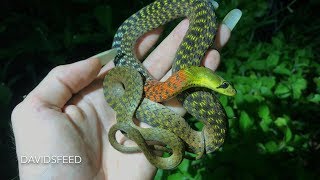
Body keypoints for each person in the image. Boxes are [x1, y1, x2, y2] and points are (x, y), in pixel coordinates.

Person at [11, 9, 241, 179]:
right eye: (223, 86)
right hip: (137, 88)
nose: (226, 90)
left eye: (222, 86)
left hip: (165, 96)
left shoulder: (190, 74)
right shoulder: (179, 76)